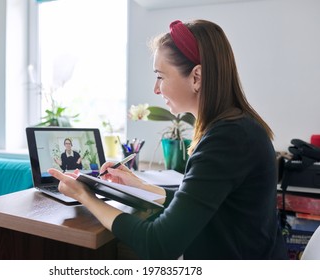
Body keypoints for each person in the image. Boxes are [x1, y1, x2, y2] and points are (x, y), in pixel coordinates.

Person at [48, 19, 288, 260]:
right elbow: (197, 206)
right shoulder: (236, 128)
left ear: (197, 77)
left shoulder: (227, 140)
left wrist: (85, 197)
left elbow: (158, 244)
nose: (156, 88)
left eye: (160, 76)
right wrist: (139, 185)